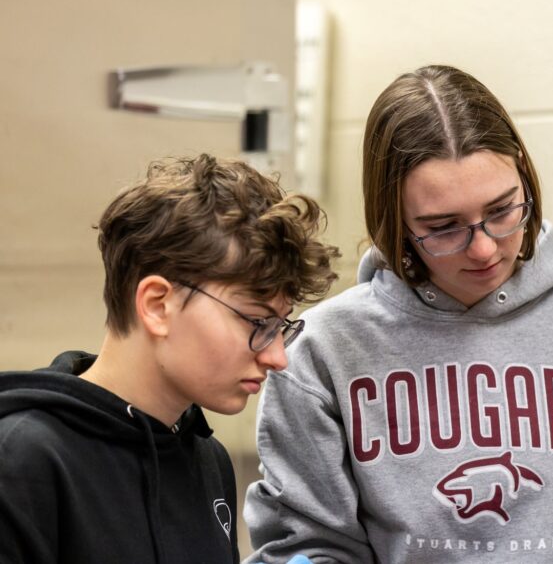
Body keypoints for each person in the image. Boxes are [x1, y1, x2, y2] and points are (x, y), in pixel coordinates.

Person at [244, 64, 553, 563]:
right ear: (393, 221)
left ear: (525, 180)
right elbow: (312, 545)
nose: (483, 249)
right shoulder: (324, 353)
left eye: (503, 211)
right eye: (443, 227)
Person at [0, 154, 339, 564]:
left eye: (281, 327)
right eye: (257, 321)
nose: (277, 357)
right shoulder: (20, 461)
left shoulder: (209, 461)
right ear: (158, 305)